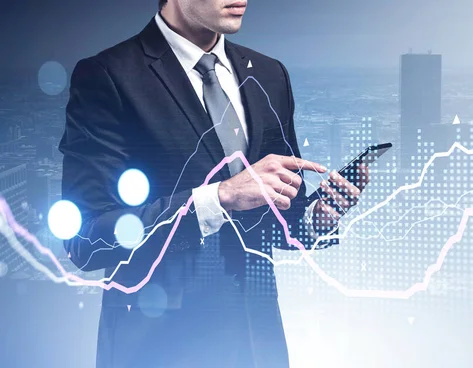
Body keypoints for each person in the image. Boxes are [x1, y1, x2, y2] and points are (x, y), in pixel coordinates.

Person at [59, 0, 369, 367]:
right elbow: (86, 241)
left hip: (256, 343)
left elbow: (277, 217)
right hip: (156, 346)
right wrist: (219, 198)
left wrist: (317, 215)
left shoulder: (270, 74)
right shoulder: (107, 76)